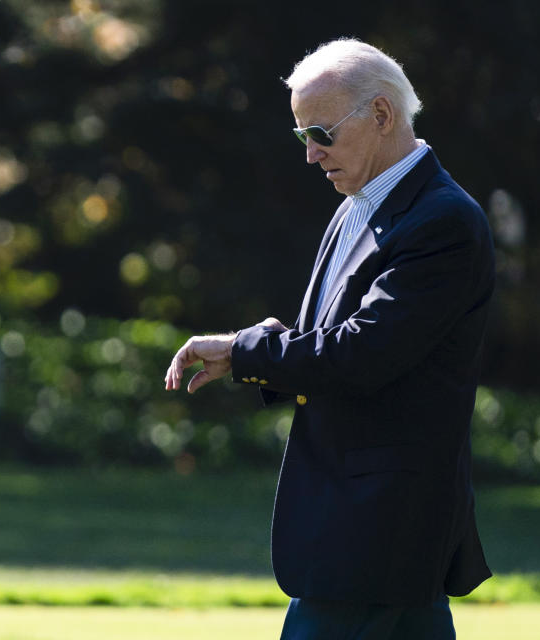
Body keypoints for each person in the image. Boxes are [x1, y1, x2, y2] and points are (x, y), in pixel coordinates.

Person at [164, 37, 494, 639]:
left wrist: (245, 352)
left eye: (321, 134)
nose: (311, 156)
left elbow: (361, 353)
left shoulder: (443, 221)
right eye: (301, 137)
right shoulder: (358, 203)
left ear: (382, 115)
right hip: (368, 528)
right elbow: (330, 339)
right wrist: (250, 346)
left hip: (378, 528)